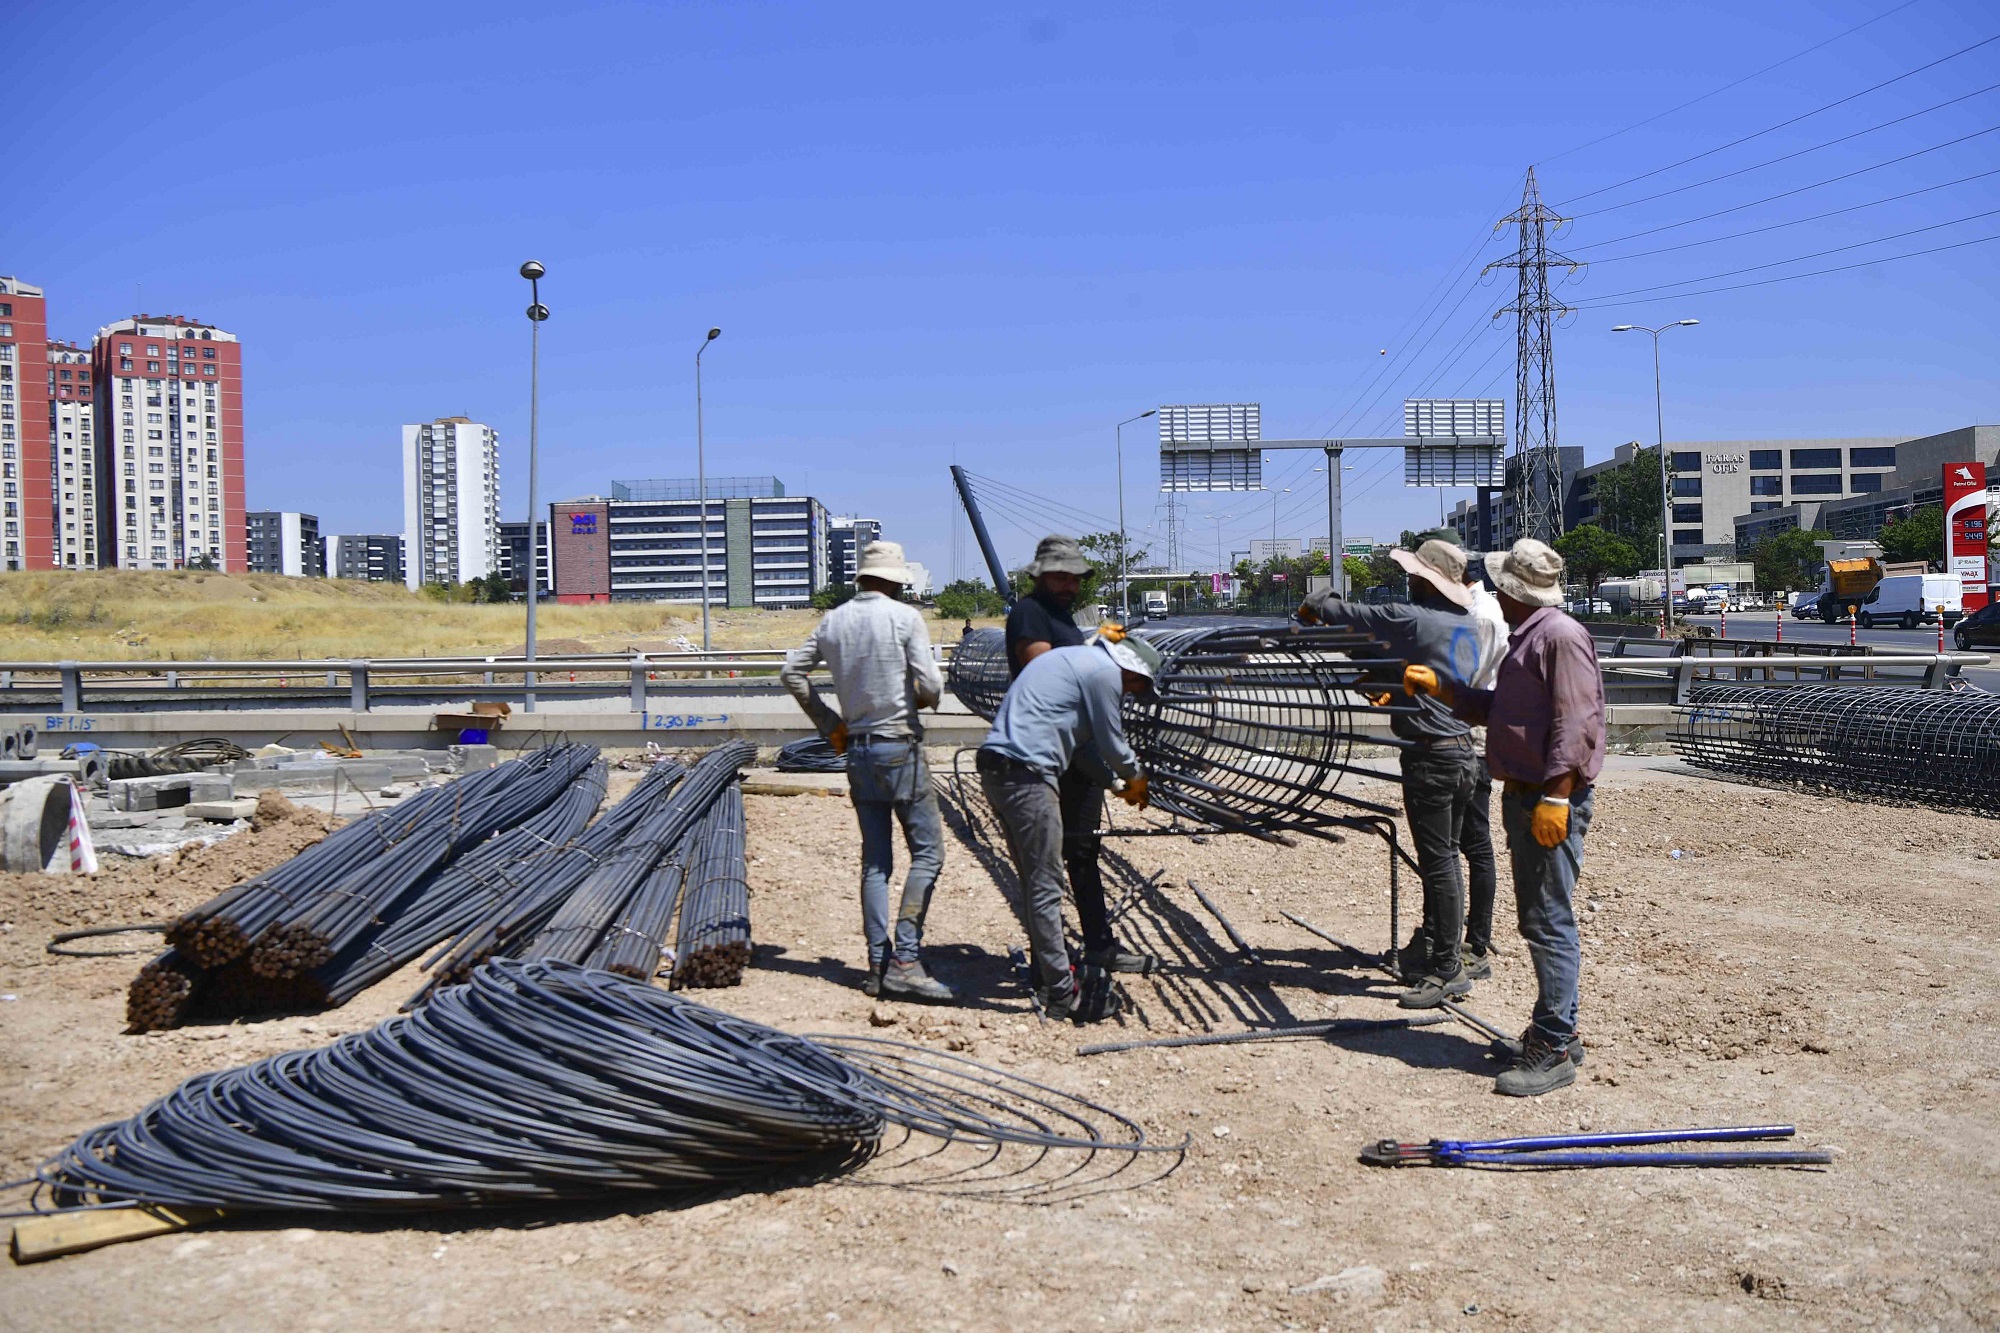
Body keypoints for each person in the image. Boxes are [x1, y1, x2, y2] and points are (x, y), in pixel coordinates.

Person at [1404, 537, 1607, 1097]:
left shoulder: (1560, 637)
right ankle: (1555, 1030)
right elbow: (1503, 712)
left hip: (1546, 795)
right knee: (1541, 918)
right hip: (1527, 792)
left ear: (1514, 590)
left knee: (1548, 920)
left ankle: (1555, 1043)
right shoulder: (1530, 639)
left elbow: (1577, 722)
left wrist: (1558, 797)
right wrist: (1446, 689)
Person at [1298, 538, 1496, 1009]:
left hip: (1432, 759)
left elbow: (1342, 613)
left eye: (1412, 576)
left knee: (1440, 864)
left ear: (1423, 581)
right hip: (1463, 753)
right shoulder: (1466, 626)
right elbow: (1427, 673)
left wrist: (1316, 605)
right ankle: (1434, 950)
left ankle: (1446, 969)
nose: (1407, 582)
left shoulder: (1412, 619)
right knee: (1449, 858)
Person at [781, 540, 952, 1002]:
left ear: (861, 578)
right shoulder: (904, 618)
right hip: (900, 747)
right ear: (897, 581)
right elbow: (932, 683)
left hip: (855, 751)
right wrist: (922, 699)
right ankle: (907, 961)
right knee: (928, 855)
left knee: (876, 862)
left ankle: (878, 963)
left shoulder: (832, 620)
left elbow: (791, 674)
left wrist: (830, 724)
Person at [977, 635, 1161, 1022]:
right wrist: (1137, 778)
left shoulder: (1073, 662)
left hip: (998, 769)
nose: (1130, 694)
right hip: (1029, 776)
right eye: (1137, 686)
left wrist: (1113, 782)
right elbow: (1112, 742)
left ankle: (1047, 973)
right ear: (1131, 669)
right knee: (1047, 885)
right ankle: (1064, 994)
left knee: (1033, 881)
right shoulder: (1105, 673)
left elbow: (1080, 747)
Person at [1004, 535, 1154, 974]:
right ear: (1040, 575)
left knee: (1083, 850)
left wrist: (1097, 645)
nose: (1068, 584)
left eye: (1073, 577)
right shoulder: (1030, 613)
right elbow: (1043, 674)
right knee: (1051, 860)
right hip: (1052, 750)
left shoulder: (1062, 617)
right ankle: (1052, 965)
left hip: (1076, 749)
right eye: (1059, 576)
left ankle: (1098, 944)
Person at [1456, 556, 1510, 980]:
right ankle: (1458, 935)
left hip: (1472, 742)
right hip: (1467, 736)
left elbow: (1467, 681)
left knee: (1473, 843)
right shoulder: (1476, 611)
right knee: (1456, 844)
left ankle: (1475, 941)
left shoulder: (1480, 616)